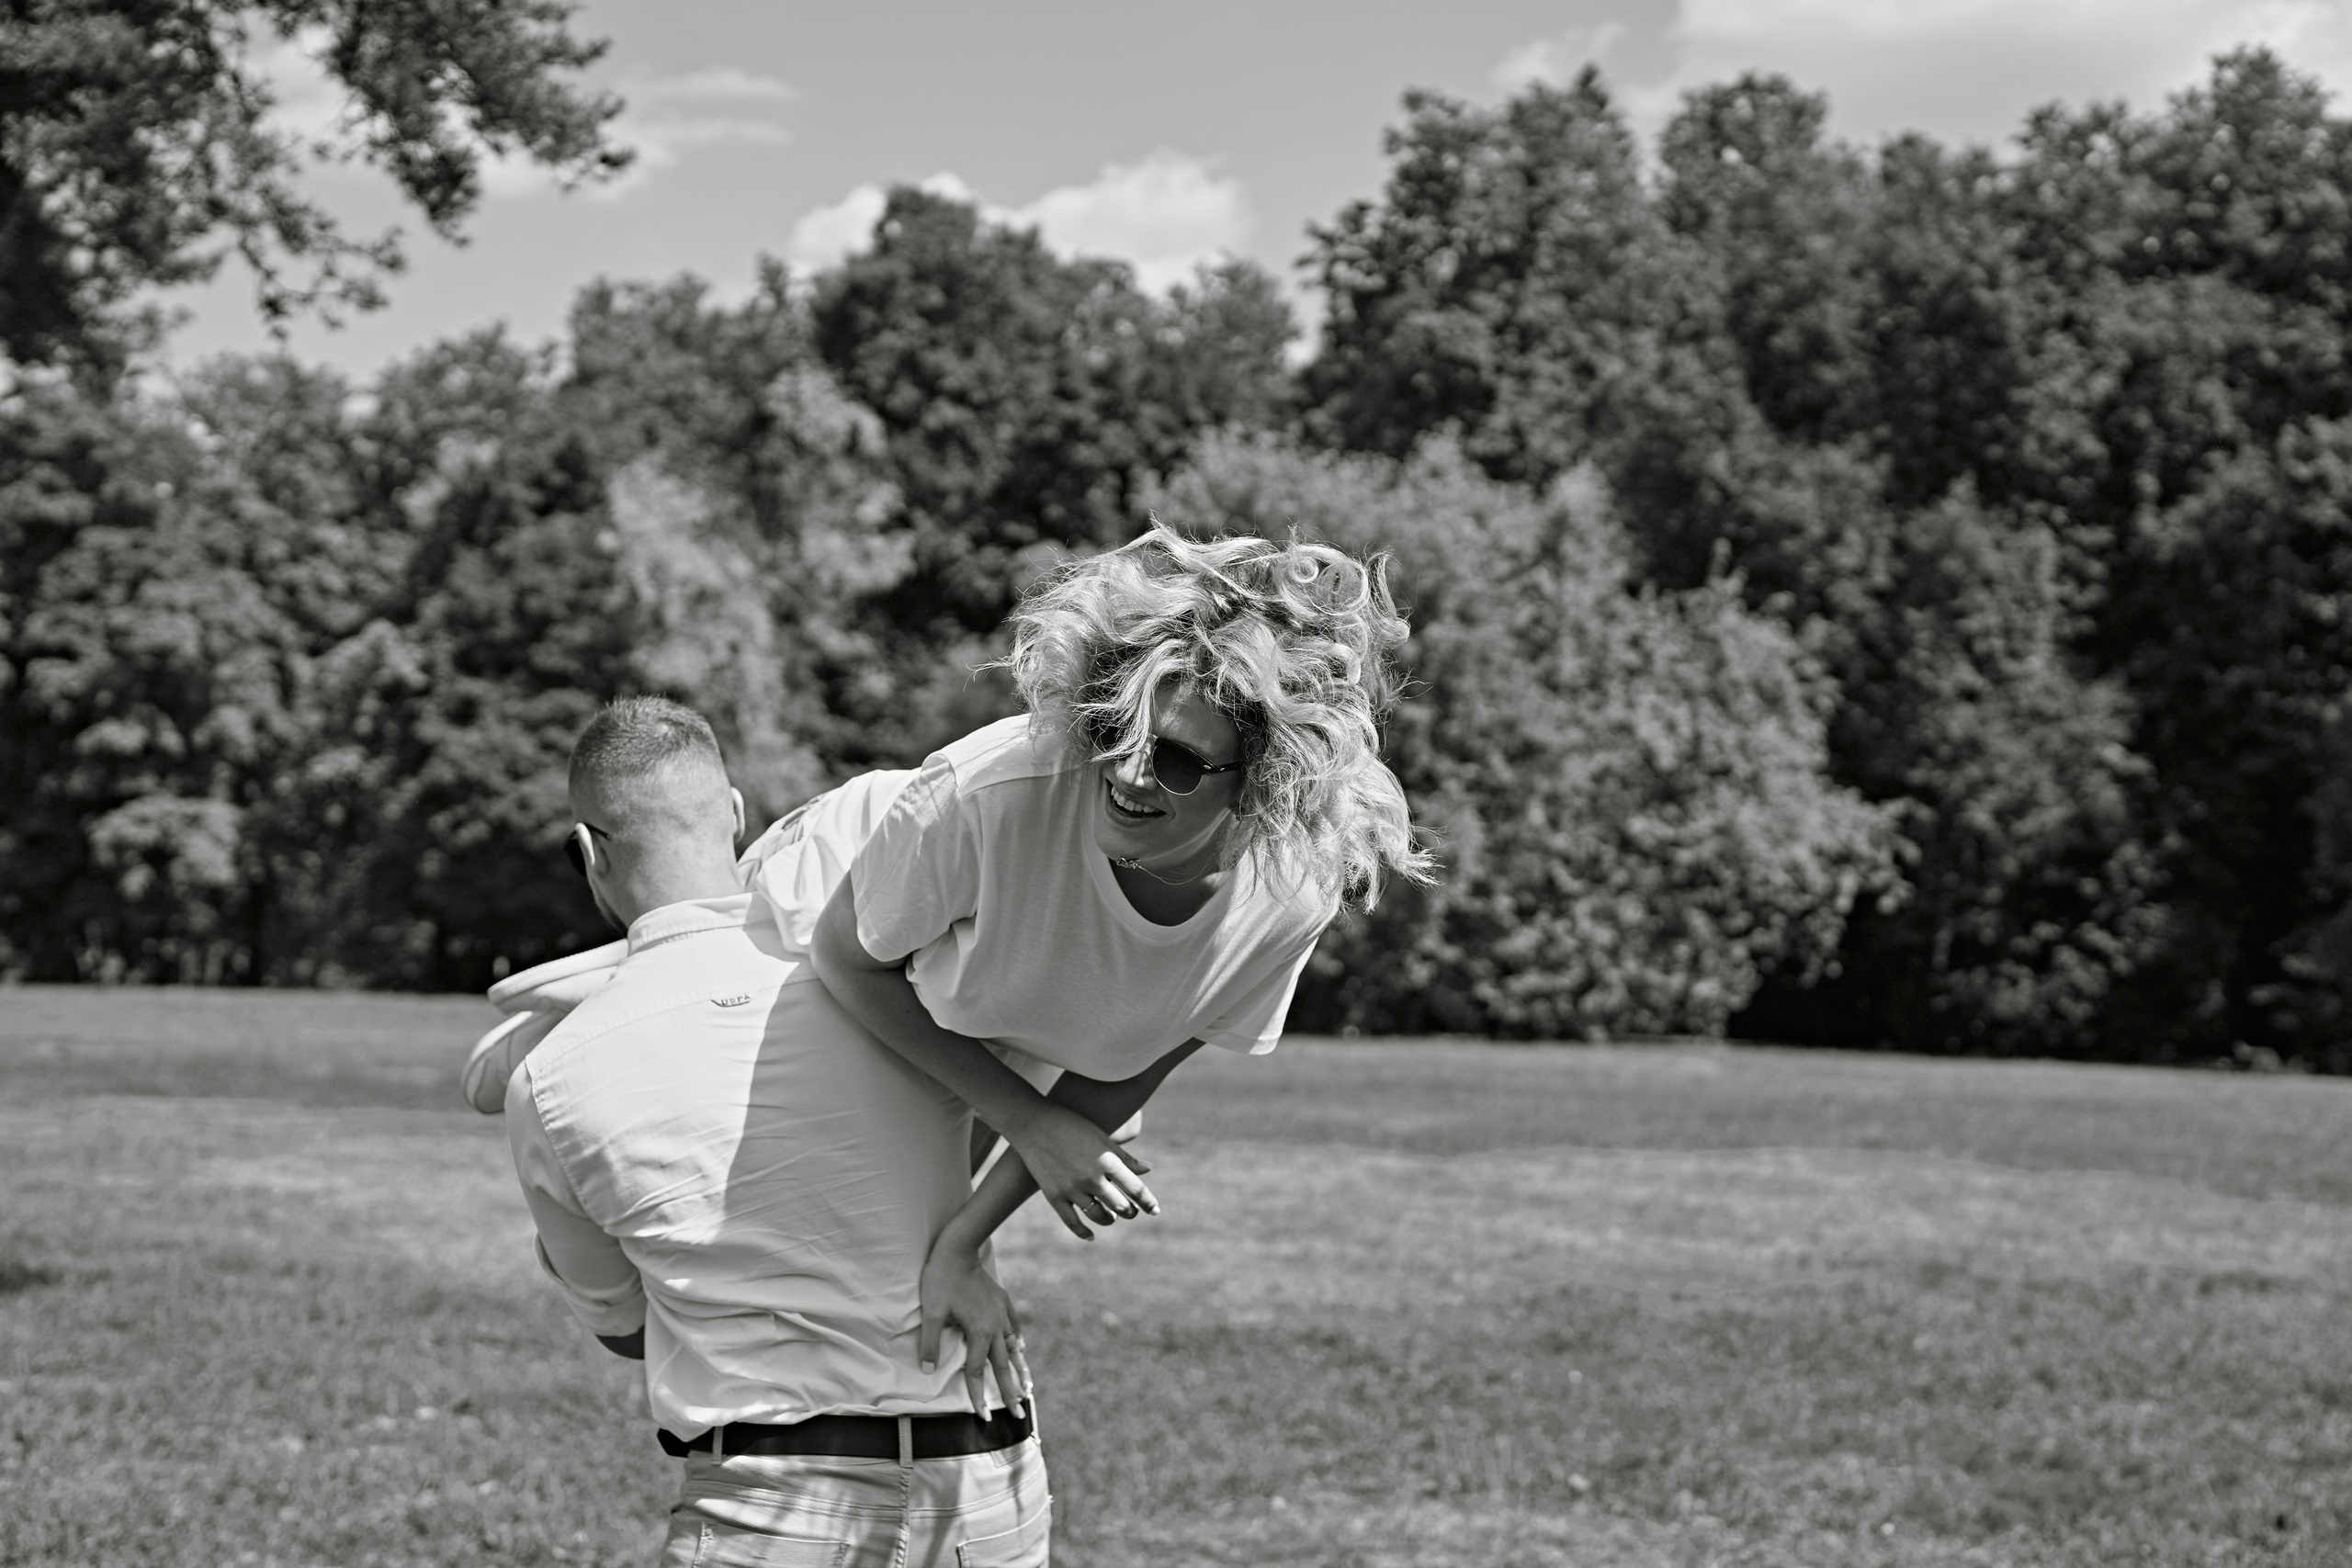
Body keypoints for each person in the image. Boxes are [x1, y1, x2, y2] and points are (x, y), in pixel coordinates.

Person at [800, 524, 1431, 1335]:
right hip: (836, 897)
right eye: (1111, 730)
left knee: (908, 1262)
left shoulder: (1293, 887)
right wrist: (1027, 1123)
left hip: (975, 1010)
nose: (1129, 773)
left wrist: (961, 1242)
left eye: (1177, 759)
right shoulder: (987, 795)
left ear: (1261, 786)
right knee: (825, 1252)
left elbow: (1120, 1072)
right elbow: (844, 957)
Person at [504, 696, 1050, 1568]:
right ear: (734, 812)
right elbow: (1039, 1095)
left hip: (767, 1506)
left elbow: (621, 1329)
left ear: (587, 852)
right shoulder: (887, 976)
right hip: (982, 1488)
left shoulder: (551, 1078)